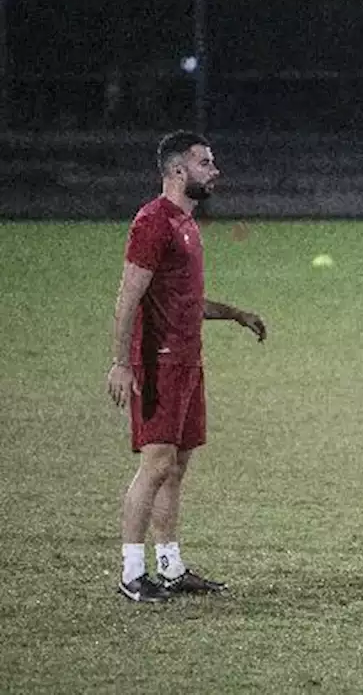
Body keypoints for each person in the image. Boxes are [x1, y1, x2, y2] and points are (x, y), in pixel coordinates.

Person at [106, 131, 267, 602]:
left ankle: (171, 568)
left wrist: (235, 313)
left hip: (188, 363)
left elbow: (184, 302)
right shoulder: (153, 222)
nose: (214, 170)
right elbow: (128, 296)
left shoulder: (186, 224)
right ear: (178, 171)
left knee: (176, 468)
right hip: (158, 364)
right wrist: (121, 363)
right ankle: (132, 573)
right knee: (154, 467)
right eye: (204, 163)